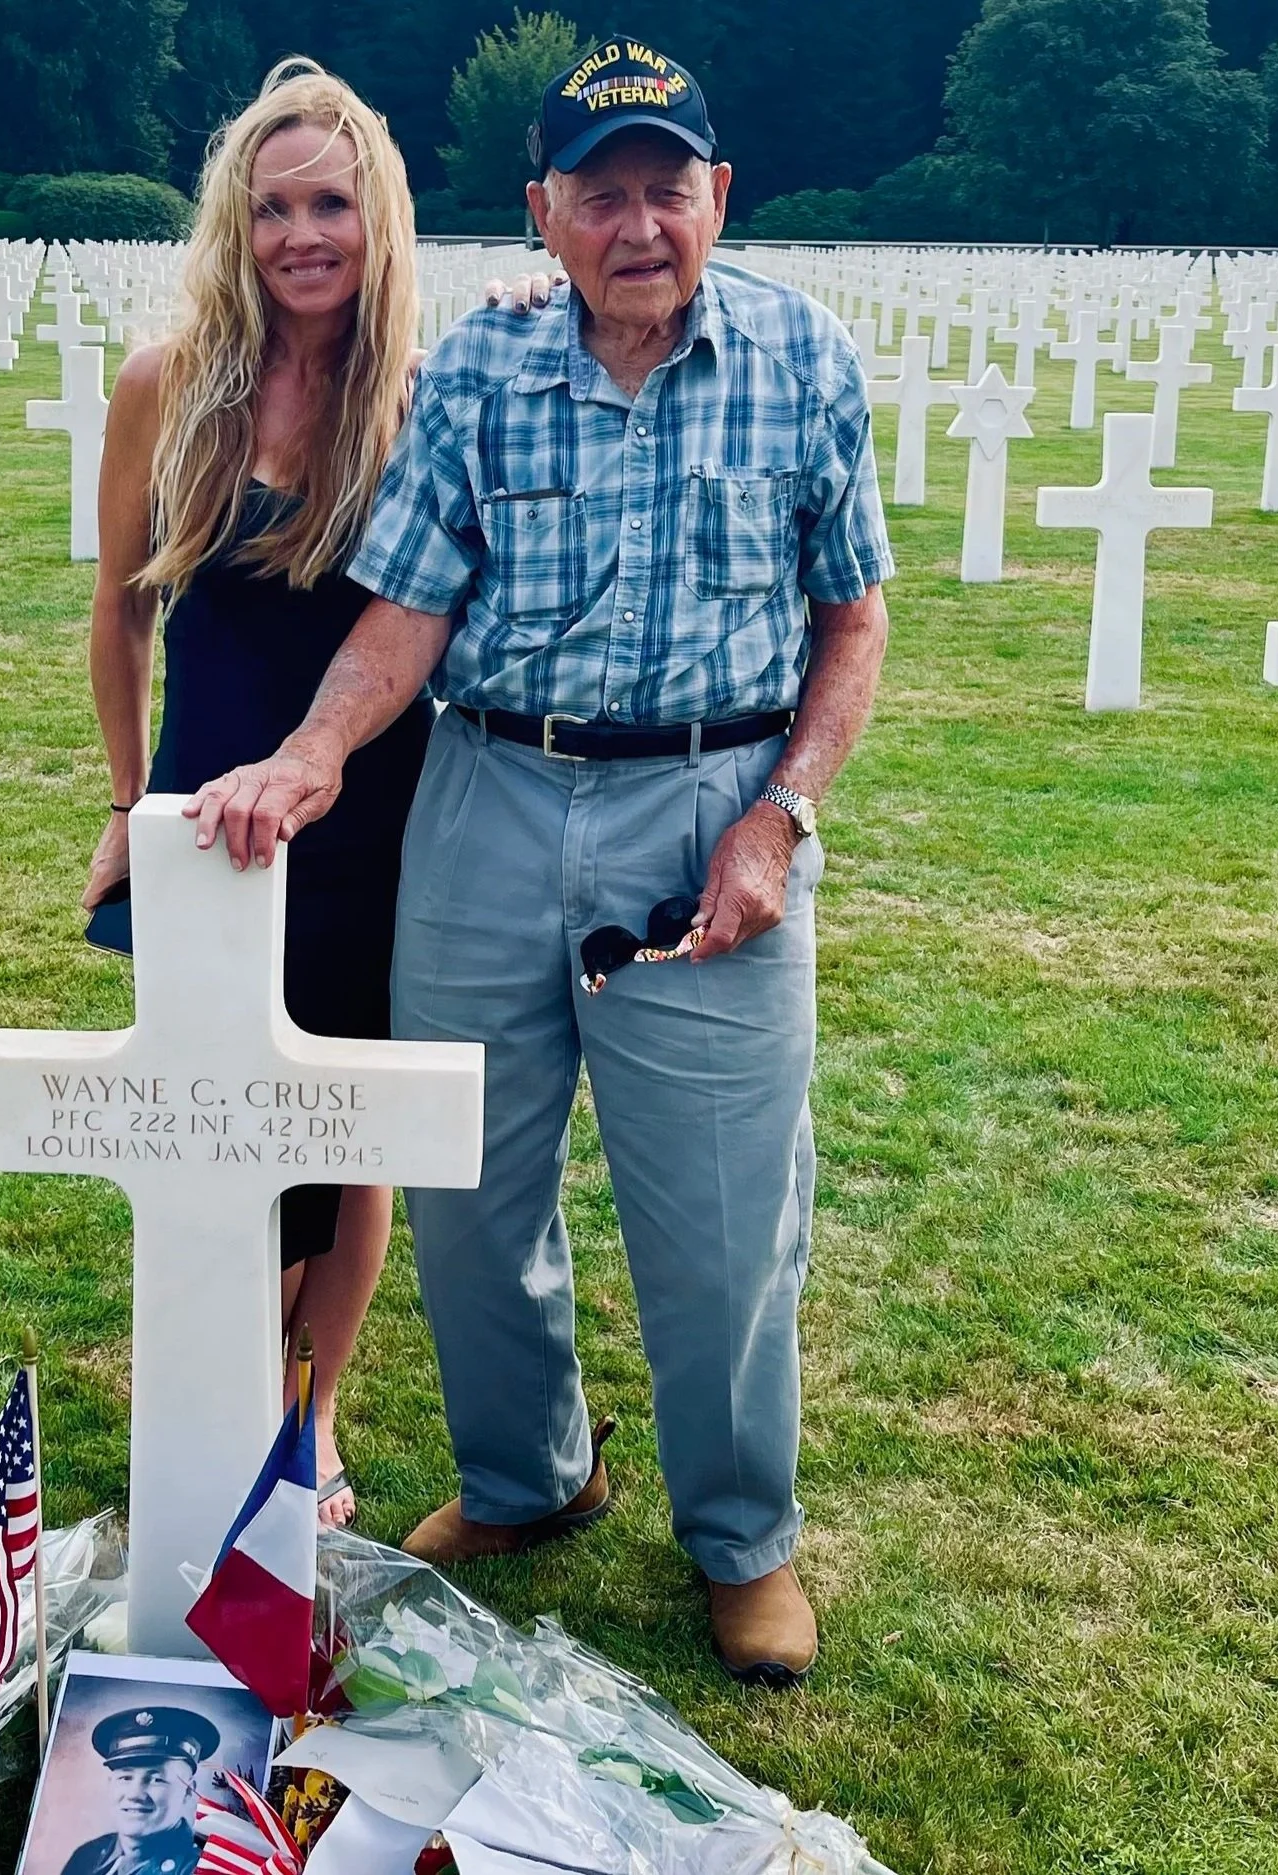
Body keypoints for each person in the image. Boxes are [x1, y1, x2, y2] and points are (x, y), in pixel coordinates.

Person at [183, 38, 894, 1687]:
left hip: (705, 806)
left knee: (720, 1218)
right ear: (542, 216)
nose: (637, 222)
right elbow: (412, 603)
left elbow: (851, 614)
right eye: (601, 192)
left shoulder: (804, 360)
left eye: (668, 186)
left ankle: (741, 1538)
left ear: (720, 196)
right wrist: (313, 752)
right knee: (466, 1182)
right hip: (490, 797)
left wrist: (784, 811)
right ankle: (526, 1477)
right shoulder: (481, 372)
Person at [83, 59, 431, 1529]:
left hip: (370, 806)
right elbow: (118, 607)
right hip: (202, 806)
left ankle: (316, 1407)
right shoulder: (166, 386)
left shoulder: (417, 394)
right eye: (274, 204)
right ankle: (226, 1387)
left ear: (378, 218)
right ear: (236, 219)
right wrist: (120, 798)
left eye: (332, 204)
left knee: (348, 1129)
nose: (303, 234)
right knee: (218, 1114)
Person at [56, 1705, 220, 1875]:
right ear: (110, 1783)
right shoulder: (86, 1858)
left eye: (157, 1779)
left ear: (188, 1791)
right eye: (125, 1778)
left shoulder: (204, 1868)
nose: (135, 1794)